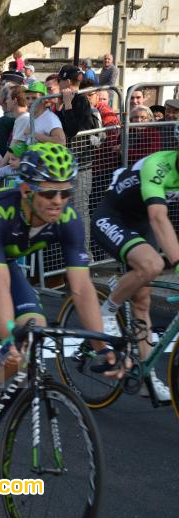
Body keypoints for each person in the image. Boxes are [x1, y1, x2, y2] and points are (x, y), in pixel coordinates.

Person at [0, 143, 110, 473]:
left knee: (34, 329)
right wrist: (7, 339)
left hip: (5, 263)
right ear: (27, 190)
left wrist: (103, 347)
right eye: (49, 193)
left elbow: (82, 287)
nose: (58, 201)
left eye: (65, 192)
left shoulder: (68, 219)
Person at [90, 144, 179, 403]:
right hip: (112, 217)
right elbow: (158, 217)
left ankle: (146, 377)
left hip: (140, 225)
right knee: (152, 265)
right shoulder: (158, 165)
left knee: (142, 301)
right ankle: (106, 311)